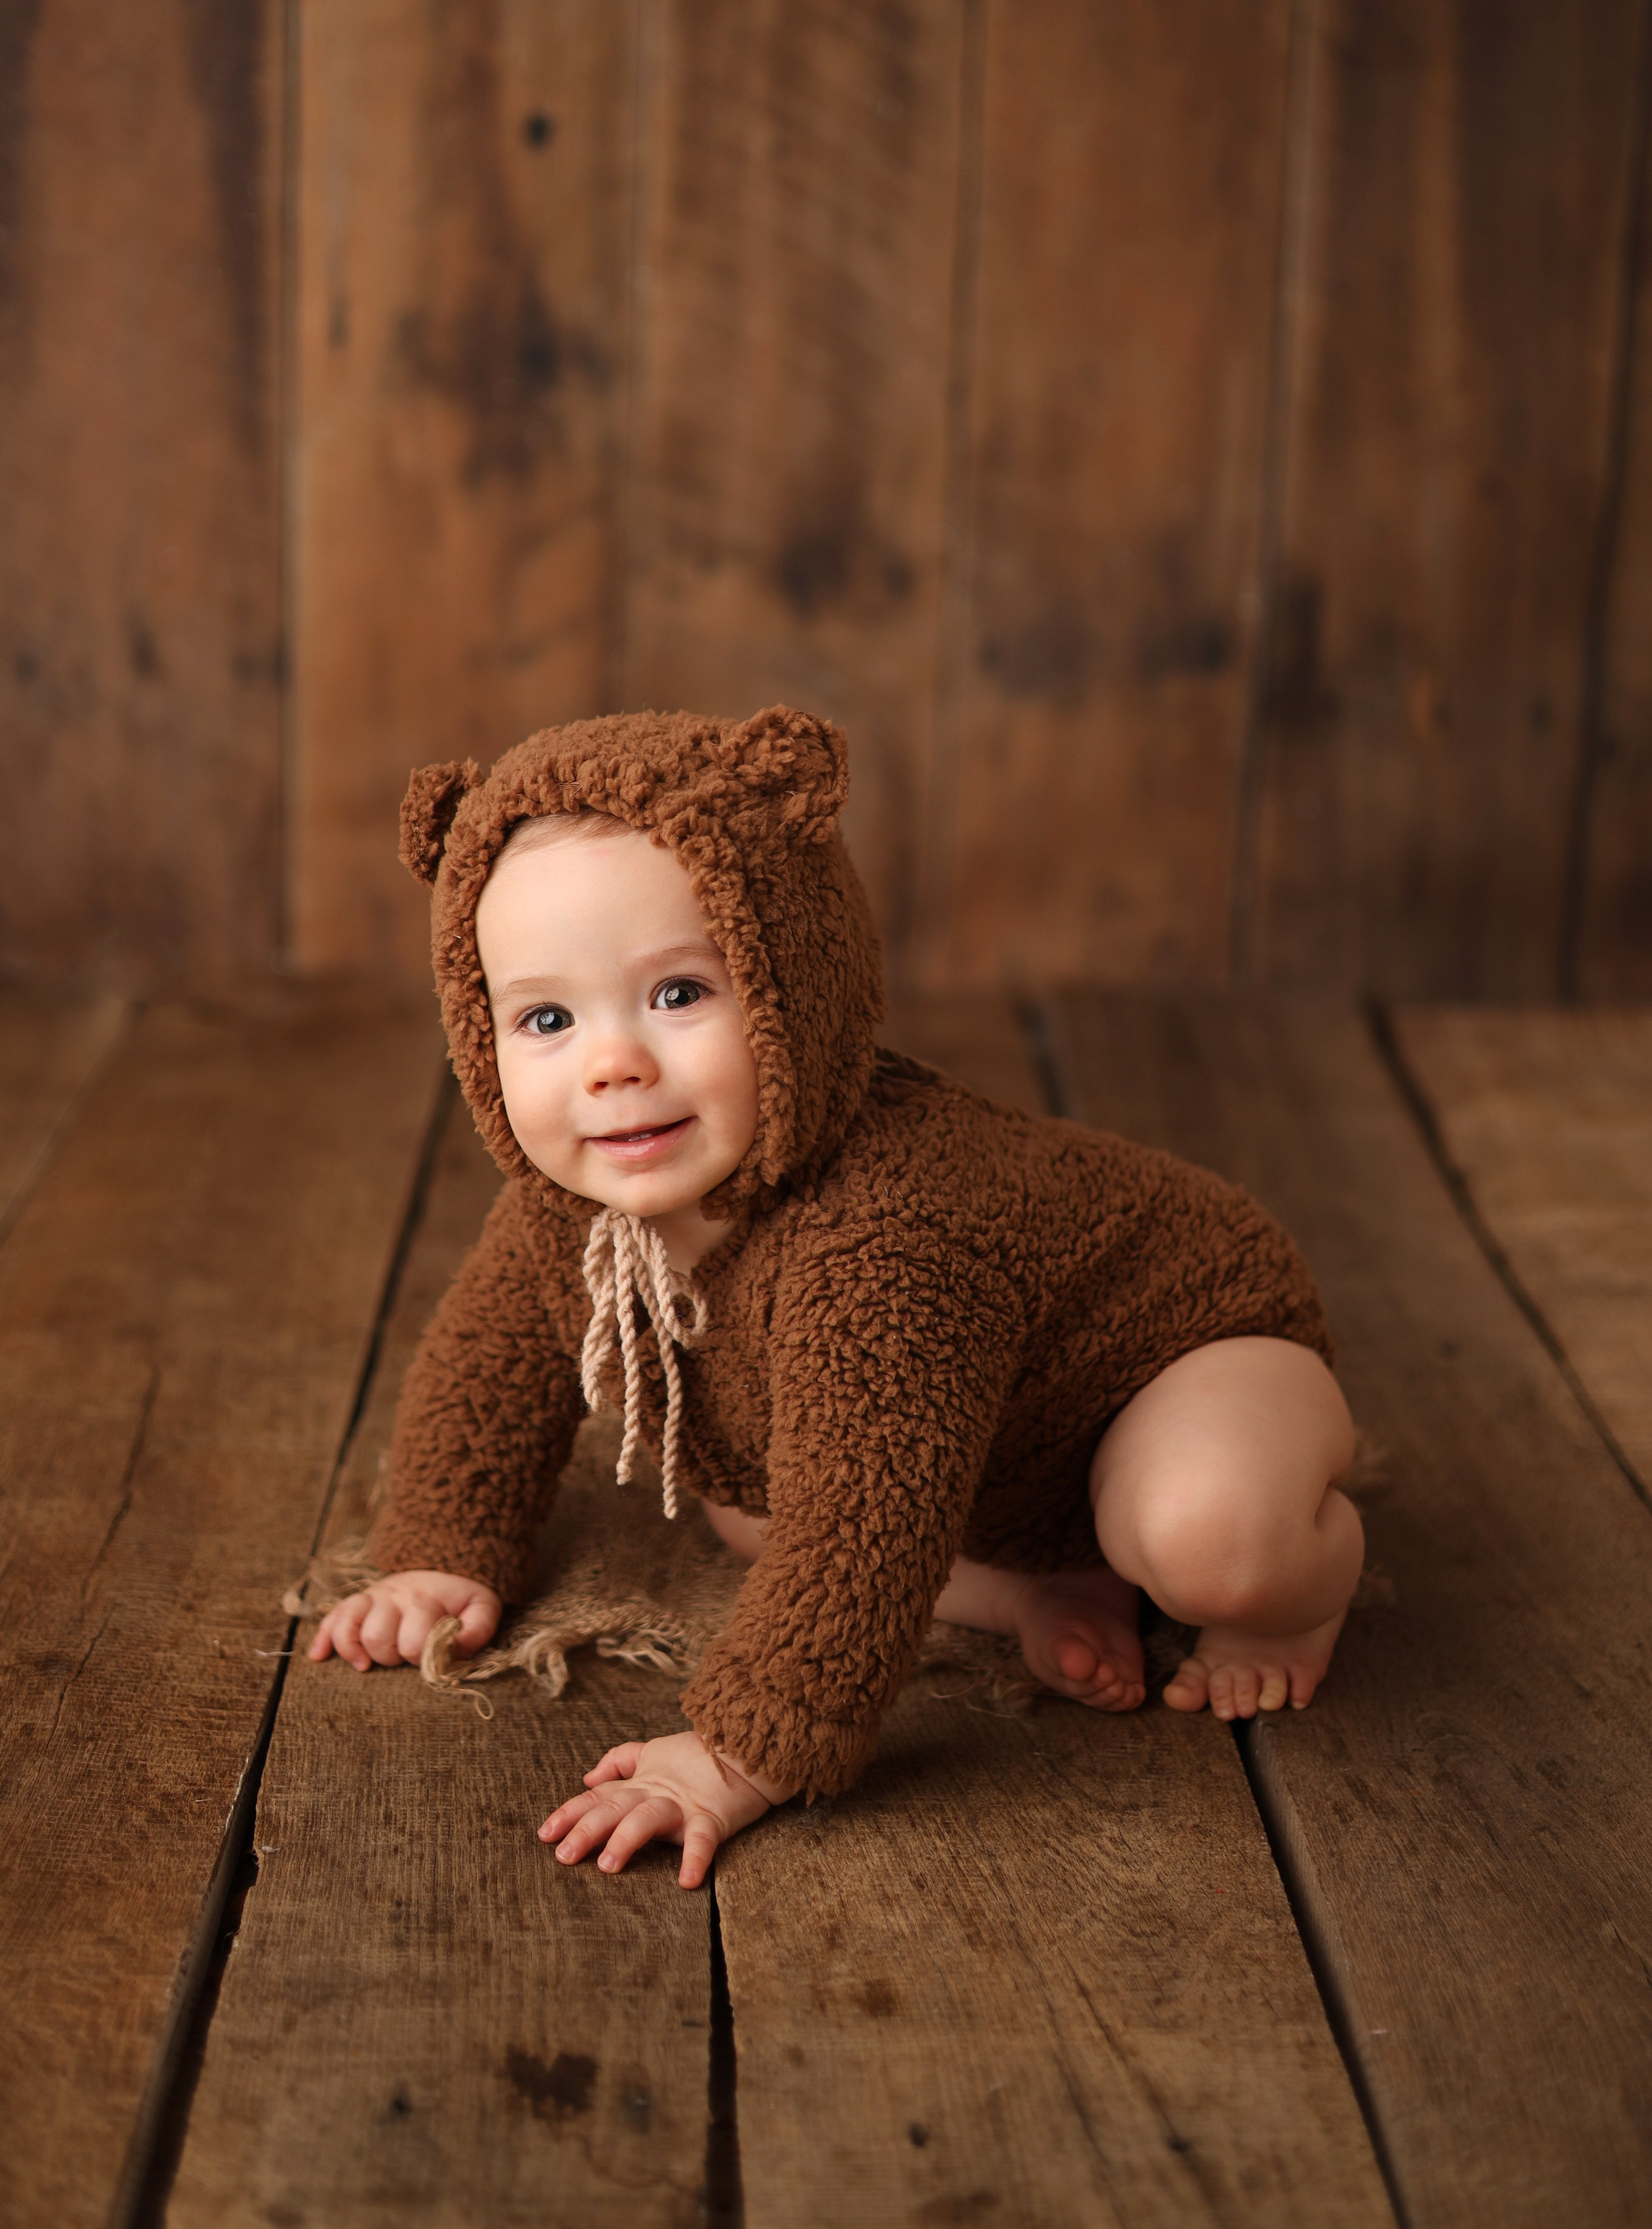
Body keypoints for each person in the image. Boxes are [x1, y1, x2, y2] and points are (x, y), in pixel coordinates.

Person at [310, 707, 1361, 1890]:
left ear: (794, 980)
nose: (613, 1064)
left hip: (1186, 1352)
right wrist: (442, 1549)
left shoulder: (883, 1232)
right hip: (997, 1454)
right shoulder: (570, 1209)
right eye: (548, 1019)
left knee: (1203, 1540)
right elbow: (488, 1363)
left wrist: (735, 1754)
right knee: (748, 1505)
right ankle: (1043, 1584)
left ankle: (1293, 1600)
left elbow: (866, 1523)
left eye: (678, 994)